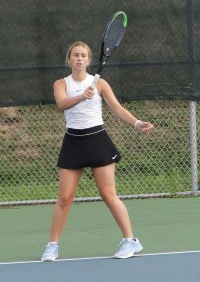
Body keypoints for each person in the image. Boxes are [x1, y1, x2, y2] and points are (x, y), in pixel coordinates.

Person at [41, 40, 154, 261]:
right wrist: (81, 96)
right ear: (69, 59)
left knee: (108, 194)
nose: (79, 58)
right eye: (75, 55)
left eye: (83, 55)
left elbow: (117, 109)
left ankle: (130, 240)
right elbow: (61, 104)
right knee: (65, 197)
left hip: (97, 140)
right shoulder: (60, 84)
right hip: (73, 142)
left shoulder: (100, 84)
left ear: (89, 60)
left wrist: (137, 123)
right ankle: (52, 245)